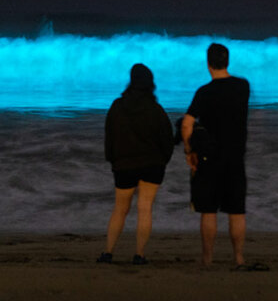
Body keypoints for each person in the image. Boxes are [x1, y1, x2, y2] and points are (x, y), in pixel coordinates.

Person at [181, 43, 261, 269]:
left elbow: (187, 124)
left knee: (208, 211)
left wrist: (189, 151)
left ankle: (207, 260)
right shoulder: (242, 86)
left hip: (209, 159)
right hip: (235, 158)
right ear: (227, 61)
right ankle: (238, 259)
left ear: (208, 64)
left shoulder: (204, 92)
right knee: (236, 211)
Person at [99, 63, 175, 265]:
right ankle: (139, 254)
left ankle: (108, 252)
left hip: (124, 165)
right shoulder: (155, 109)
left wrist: (113, 160)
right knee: (145, 208)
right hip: (152, 164)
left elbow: (110, 136)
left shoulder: (117, 106)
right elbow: (167, 139)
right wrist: (163, 160)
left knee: (120, 209)